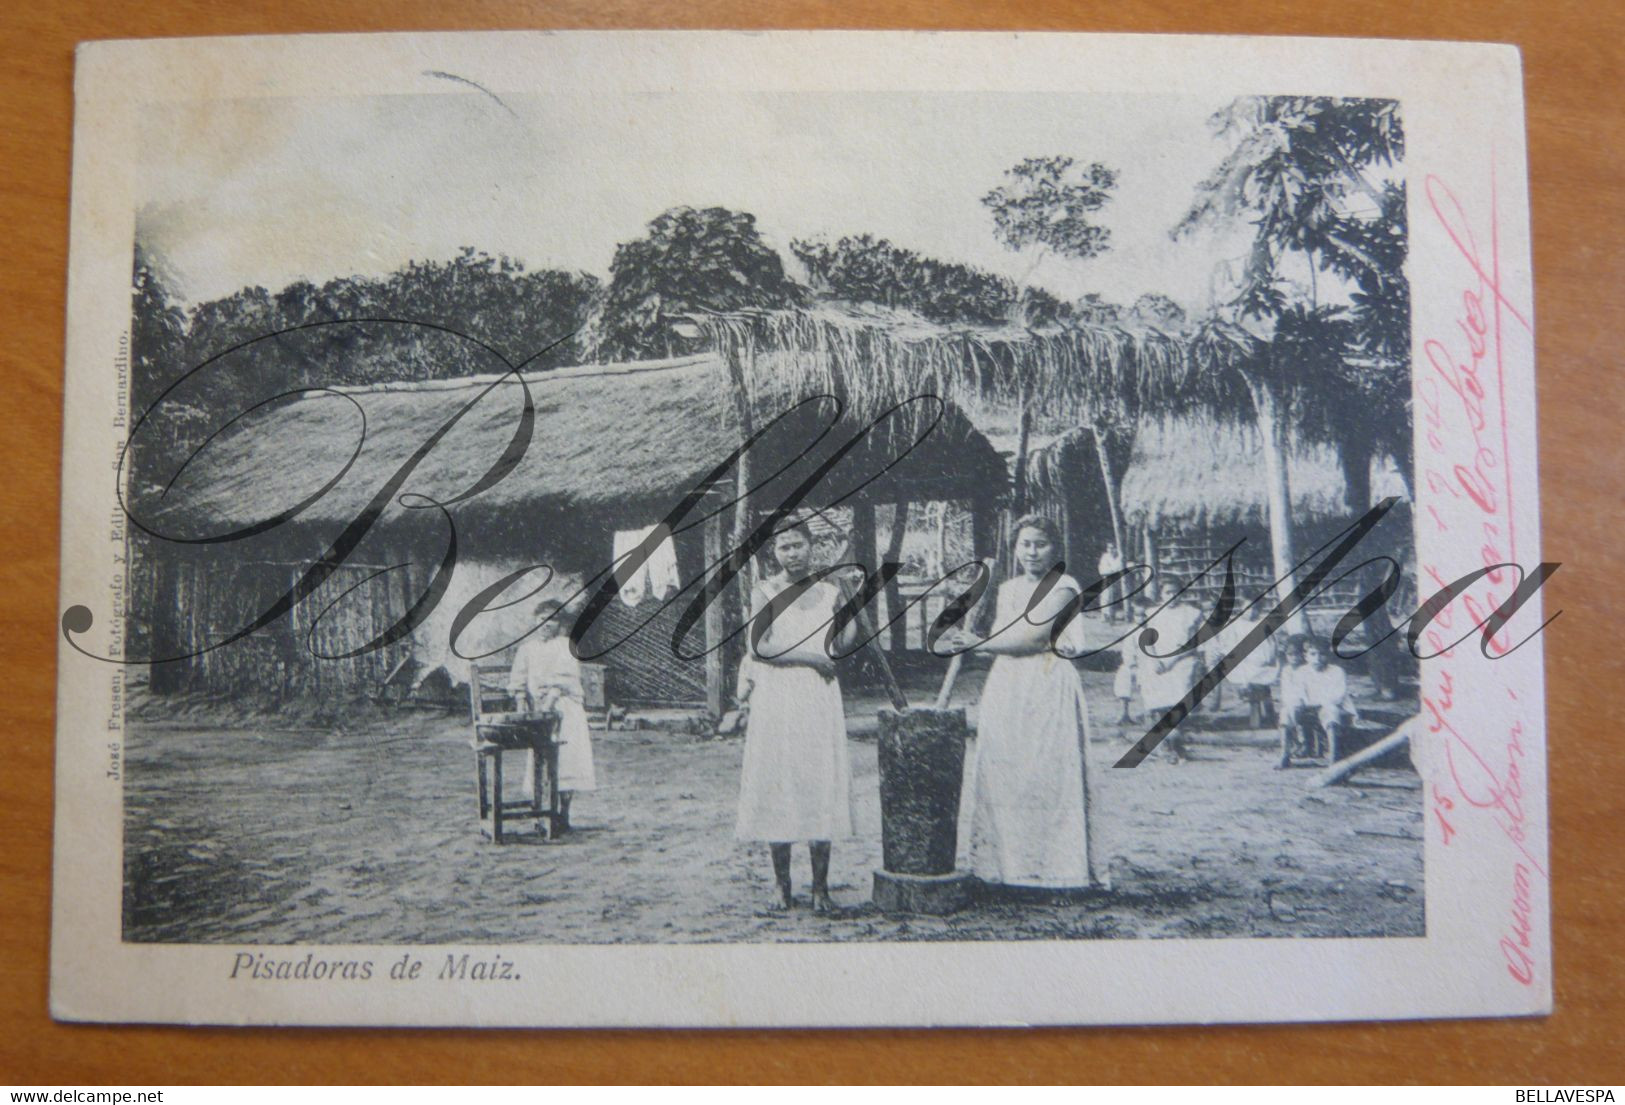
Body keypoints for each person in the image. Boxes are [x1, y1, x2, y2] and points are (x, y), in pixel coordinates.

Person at [955, 515, 1100, 891]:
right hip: (1007, 686)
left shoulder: (1064, 587)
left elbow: (1036, 640)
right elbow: (1006, 638)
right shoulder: (1007, 589)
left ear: (1055, 549)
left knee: (1045, 775)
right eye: (1025, 545)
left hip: (1046, 683)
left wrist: (976, 644)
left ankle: (1056, 872)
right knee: (1007, 772)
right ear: (1015, 548)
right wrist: (977, 639)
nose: (1032, 552)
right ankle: (1007, 869)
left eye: (1040, 544)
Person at [734, 518, 857, 912]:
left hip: (818, 697)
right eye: (785, 547)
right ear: (775, 552)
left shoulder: (828, 592)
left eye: (799, 545)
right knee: (779, 782)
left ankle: (821, 888)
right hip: (778, 696)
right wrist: (811, 657)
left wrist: (846, 625)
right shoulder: (765, 591)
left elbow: (844, 640)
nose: (793, 553)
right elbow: (760, 649)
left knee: (818, 781)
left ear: (812, 546)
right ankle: (782, 886)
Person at [507, 599, 597, 831]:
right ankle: (540, 813)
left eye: (553, 619)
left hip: (566, 710)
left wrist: (550, 702)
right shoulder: (526, 649)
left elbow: (564, 681)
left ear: (560, 624)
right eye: (542, 619)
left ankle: (563, 814)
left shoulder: (566, 646)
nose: (547, 624)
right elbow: (517, 682)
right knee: (539, 761)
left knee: (567, 761)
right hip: (539, 712)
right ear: (536, 621)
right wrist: (522, 707)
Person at [1135, 578, 1204, 764]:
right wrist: (1155, 659)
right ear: (1161, 594)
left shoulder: (1190, 613)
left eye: (1176, 592)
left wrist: (1172, 661)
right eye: (1167, 592)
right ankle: (1165, 744)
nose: (1172, 596)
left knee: (1178, 695)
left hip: (1181, 660)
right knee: (1157, 692)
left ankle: (1176, 741)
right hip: (1156, 660)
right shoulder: (1152, 613)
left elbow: (1192, 645)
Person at [1278, 636, 1355, 768]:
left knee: (1331, 713)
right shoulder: (1302, 672)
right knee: (1285, 712)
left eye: (1322, 654)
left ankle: (1333, 758)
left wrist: (1318, 703)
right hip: (1308, 708)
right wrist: (1297, 704)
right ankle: (1284, 755)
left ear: (1328, 655)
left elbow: (1338, 695)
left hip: (1331, 706)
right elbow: (1297, 693)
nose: (1318, 658)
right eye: (1313, 654)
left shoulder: (1336, 671)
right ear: (1306, 656)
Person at [1097, 541, 1125, 623]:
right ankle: (1105, 615)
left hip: (1115, 580)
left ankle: (1112, 615)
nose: (1110, 550)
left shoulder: (1119, 557)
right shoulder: (1105, 556)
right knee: (1105, 597)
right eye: (1109, 548)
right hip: (1106, 578)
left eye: (1112, 548)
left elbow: (1119, 569)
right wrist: (1111, 570)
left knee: (1114, 597)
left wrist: (1111, 569)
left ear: (1116, 548)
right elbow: (1102, 570)